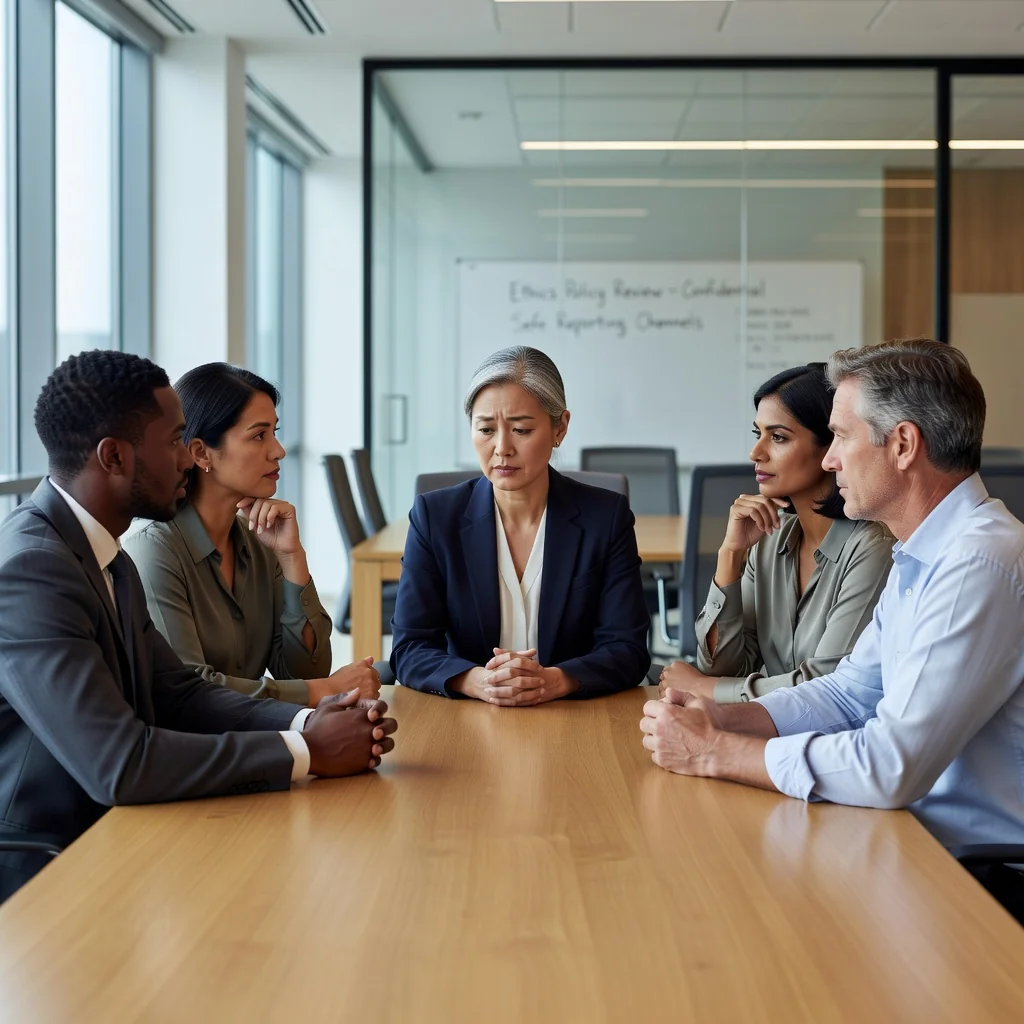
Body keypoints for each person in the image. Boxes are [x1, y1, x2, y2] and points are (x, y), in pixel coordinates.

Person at [639, 340, 1024, 918]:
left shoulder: (978, 563)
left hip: (973, 878)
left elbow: (890, 765)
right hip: (910, 844)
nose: (829, 460)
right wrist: (722, 716)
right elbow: (850, 694)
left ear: (902, 445)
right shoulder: (925, 553)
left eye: (841, 436)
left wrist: (716, 751)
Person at [0, 351, 397, 902]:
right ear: (114, 456)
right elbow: (119, 763)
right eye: (173, 443)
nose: (186, 461)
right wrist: (306, 750)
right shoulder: (33, 567)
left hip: (129, 831)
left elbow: (179, 694)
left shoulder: (105, 555)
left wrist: (312, 718)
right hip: (54, 866)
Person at [390, 345, 650, 705]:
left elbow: (628, 648)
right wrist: (476, 680)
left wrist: (556, 681)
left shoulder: (604, 517)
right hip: (469, 718)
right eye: (485, 429)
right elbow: (410, 648)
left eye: (522, 430)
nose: (502, 448)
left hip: (572, 718)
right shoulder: (435, 517)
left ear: (560, 428)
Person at [125, 363, 378, 708]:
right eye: (259, 435)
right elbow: (188, 691)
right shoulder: (154, 551)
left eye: (274, 432)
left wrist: (292, 558)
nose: (278, 450)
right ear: (200, 453)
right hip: (195, 753)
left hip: (257, 736)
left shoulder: (259, 539)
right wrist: (322, 690)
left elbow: (303, 672)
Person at [659, 363, 892, 704]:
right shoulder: (770, 537)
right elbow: (727, 668)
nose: (756, 453)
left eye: (778, 437)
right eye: (759, 434)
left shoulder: (873, 547)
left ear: (831, 447)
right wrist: (730, 556)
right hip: (775, 734)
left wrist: (701, 688)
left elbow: (826, 689)